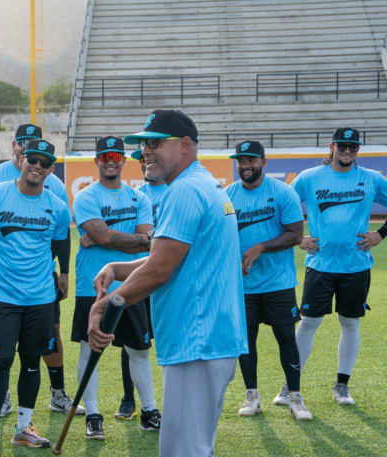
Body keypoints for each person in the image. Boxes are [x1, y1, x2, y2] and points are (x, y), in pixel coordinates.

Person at [90, 109, 247, 457]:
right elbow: (171, 256)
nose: (146, 151)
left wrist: (105, 304)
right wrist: (117, 267)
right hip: (210, 338)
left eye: (156, 143)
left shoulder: (184, 190)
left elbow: (160, 270)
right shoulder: (204, 183)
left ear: (185, 144)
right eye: (145, 144)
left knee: (184, 451)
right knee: (196, 448)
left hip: (197, 340)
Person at [0, 139, 71, 457]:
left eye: (44, 163)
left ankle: (24, 429)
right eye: (32, 159)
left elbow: (56, 245)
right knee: (0, 362)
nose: (37, 166)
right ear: (22, 159)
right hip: (1, 297)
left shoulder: (57, 206)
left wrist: (48, 273)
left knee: (32, 362)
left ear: (51, 169)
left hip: (40, 298)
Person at [0, 124, 82, 417]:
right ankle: (3, 397)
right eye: (24, 145)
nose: (34, 160)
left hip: (40, 280)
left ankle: (57, 393)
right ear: (16, 147)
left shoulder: (53, 185)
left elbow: (60, 235)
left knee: (50, 334)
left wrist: (62, 272)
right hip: (0, 277)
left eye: (41, 158)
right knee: (3, 344)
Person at [292, 127, 387, 405]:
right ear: (331, 146)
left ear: (358, 149)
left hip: (356, 266)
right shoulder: (309, 177)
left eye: (352, 146)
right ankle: (291, 385)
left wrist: (380, 234)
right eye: (342, 145)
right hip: (320, 264)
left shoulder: (371, 178)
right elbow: (282, 207)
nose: (347, 151)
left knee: (350, 323)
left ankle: (342, 386)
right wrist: (298, 238)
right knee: (308, 323)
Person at [71, 136, 158, 439]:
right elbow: (110, 237)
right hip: (92, 286)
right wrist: (118, 238)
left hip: (133, 284)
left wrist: (106, 237)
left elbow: (147, 241)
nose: (110, 161)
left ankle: (149, 412)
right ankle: (93, 415)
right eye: (105, 156)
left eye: (116, 156)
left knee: (139, 351)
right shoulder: (85, 197)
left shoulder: (139, 198)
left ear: (124, 160)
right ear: (96, 160)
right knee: (89, 351)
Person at [225, 140, 311, 420]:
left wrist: (260, 247)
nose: (245, 166)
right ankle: (252, 395)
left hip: (278, 282)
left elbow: (296, 235)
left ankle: (295, 396)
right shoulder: (227, 196)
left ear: (263, 161)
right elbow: (220, 238)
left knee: (286, 337)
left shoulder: (283, 192)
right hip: (243, 284)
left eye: (251, 160)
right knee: (246, 340)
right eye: (241, 161)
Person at [114, 148, 166, 420]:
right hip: (138, 273)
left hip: (166, 275)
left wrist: (141, 239)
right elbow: (127, 236)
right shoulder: (136, 195)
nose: (145, 163)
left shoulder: (175, 191)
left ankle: (170, 400)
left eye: (148, 158)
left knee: (166, 338)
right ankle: (128, 398)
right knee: (131, 342)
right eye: (141, 160)